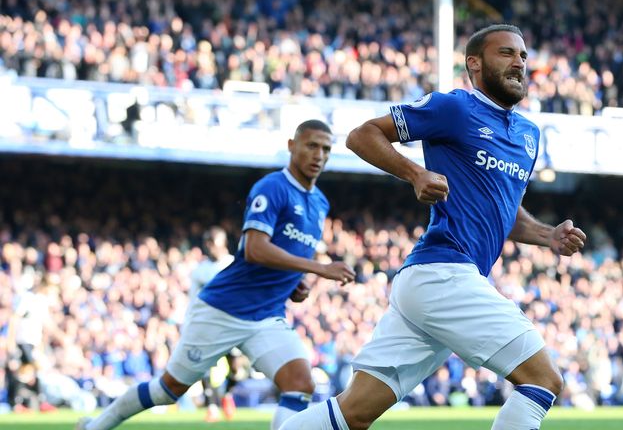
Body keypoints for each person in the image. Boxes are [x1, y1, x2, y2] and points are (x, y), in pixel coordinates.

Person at [281, 24, 587, 430]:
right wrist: (414, 173)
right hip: (445, 275)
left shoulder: (528, 136)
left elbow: (503, 208)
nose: (518, 63)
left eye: (523, 56)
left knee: (352, 413)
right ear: (474, 65)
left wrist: (546, 235)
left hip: (431, 283)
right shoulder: (455, 108)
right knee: (543, 380)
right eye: (506, 54)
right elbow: (361, 135)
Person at [77, 119, 356, 430]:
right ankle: (95, 426)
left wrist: (295, 282)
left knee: (300, 383)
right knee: (168, 390)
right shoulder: (273, 187)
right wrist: (319, 268)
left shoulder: (319, 202)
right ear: (292, 146)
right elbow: (254, 248)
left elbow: (287, 251)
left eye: (326, 149)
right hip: (223, 310)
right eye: (312, 145)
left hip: (266, 316)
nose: (319, 155)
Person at [186, 226, 237, 422]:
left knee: (238, 368)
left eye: (213, 243)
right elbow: (194, 300)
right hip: (209, 325)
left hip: (234, 324)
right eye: (207, 244)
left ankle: (227, 395)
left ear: (223, 243)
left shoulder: (234, 264)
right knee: (206, 365)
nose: (210, 248)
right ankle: (213, 406)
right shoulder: (200, 271)